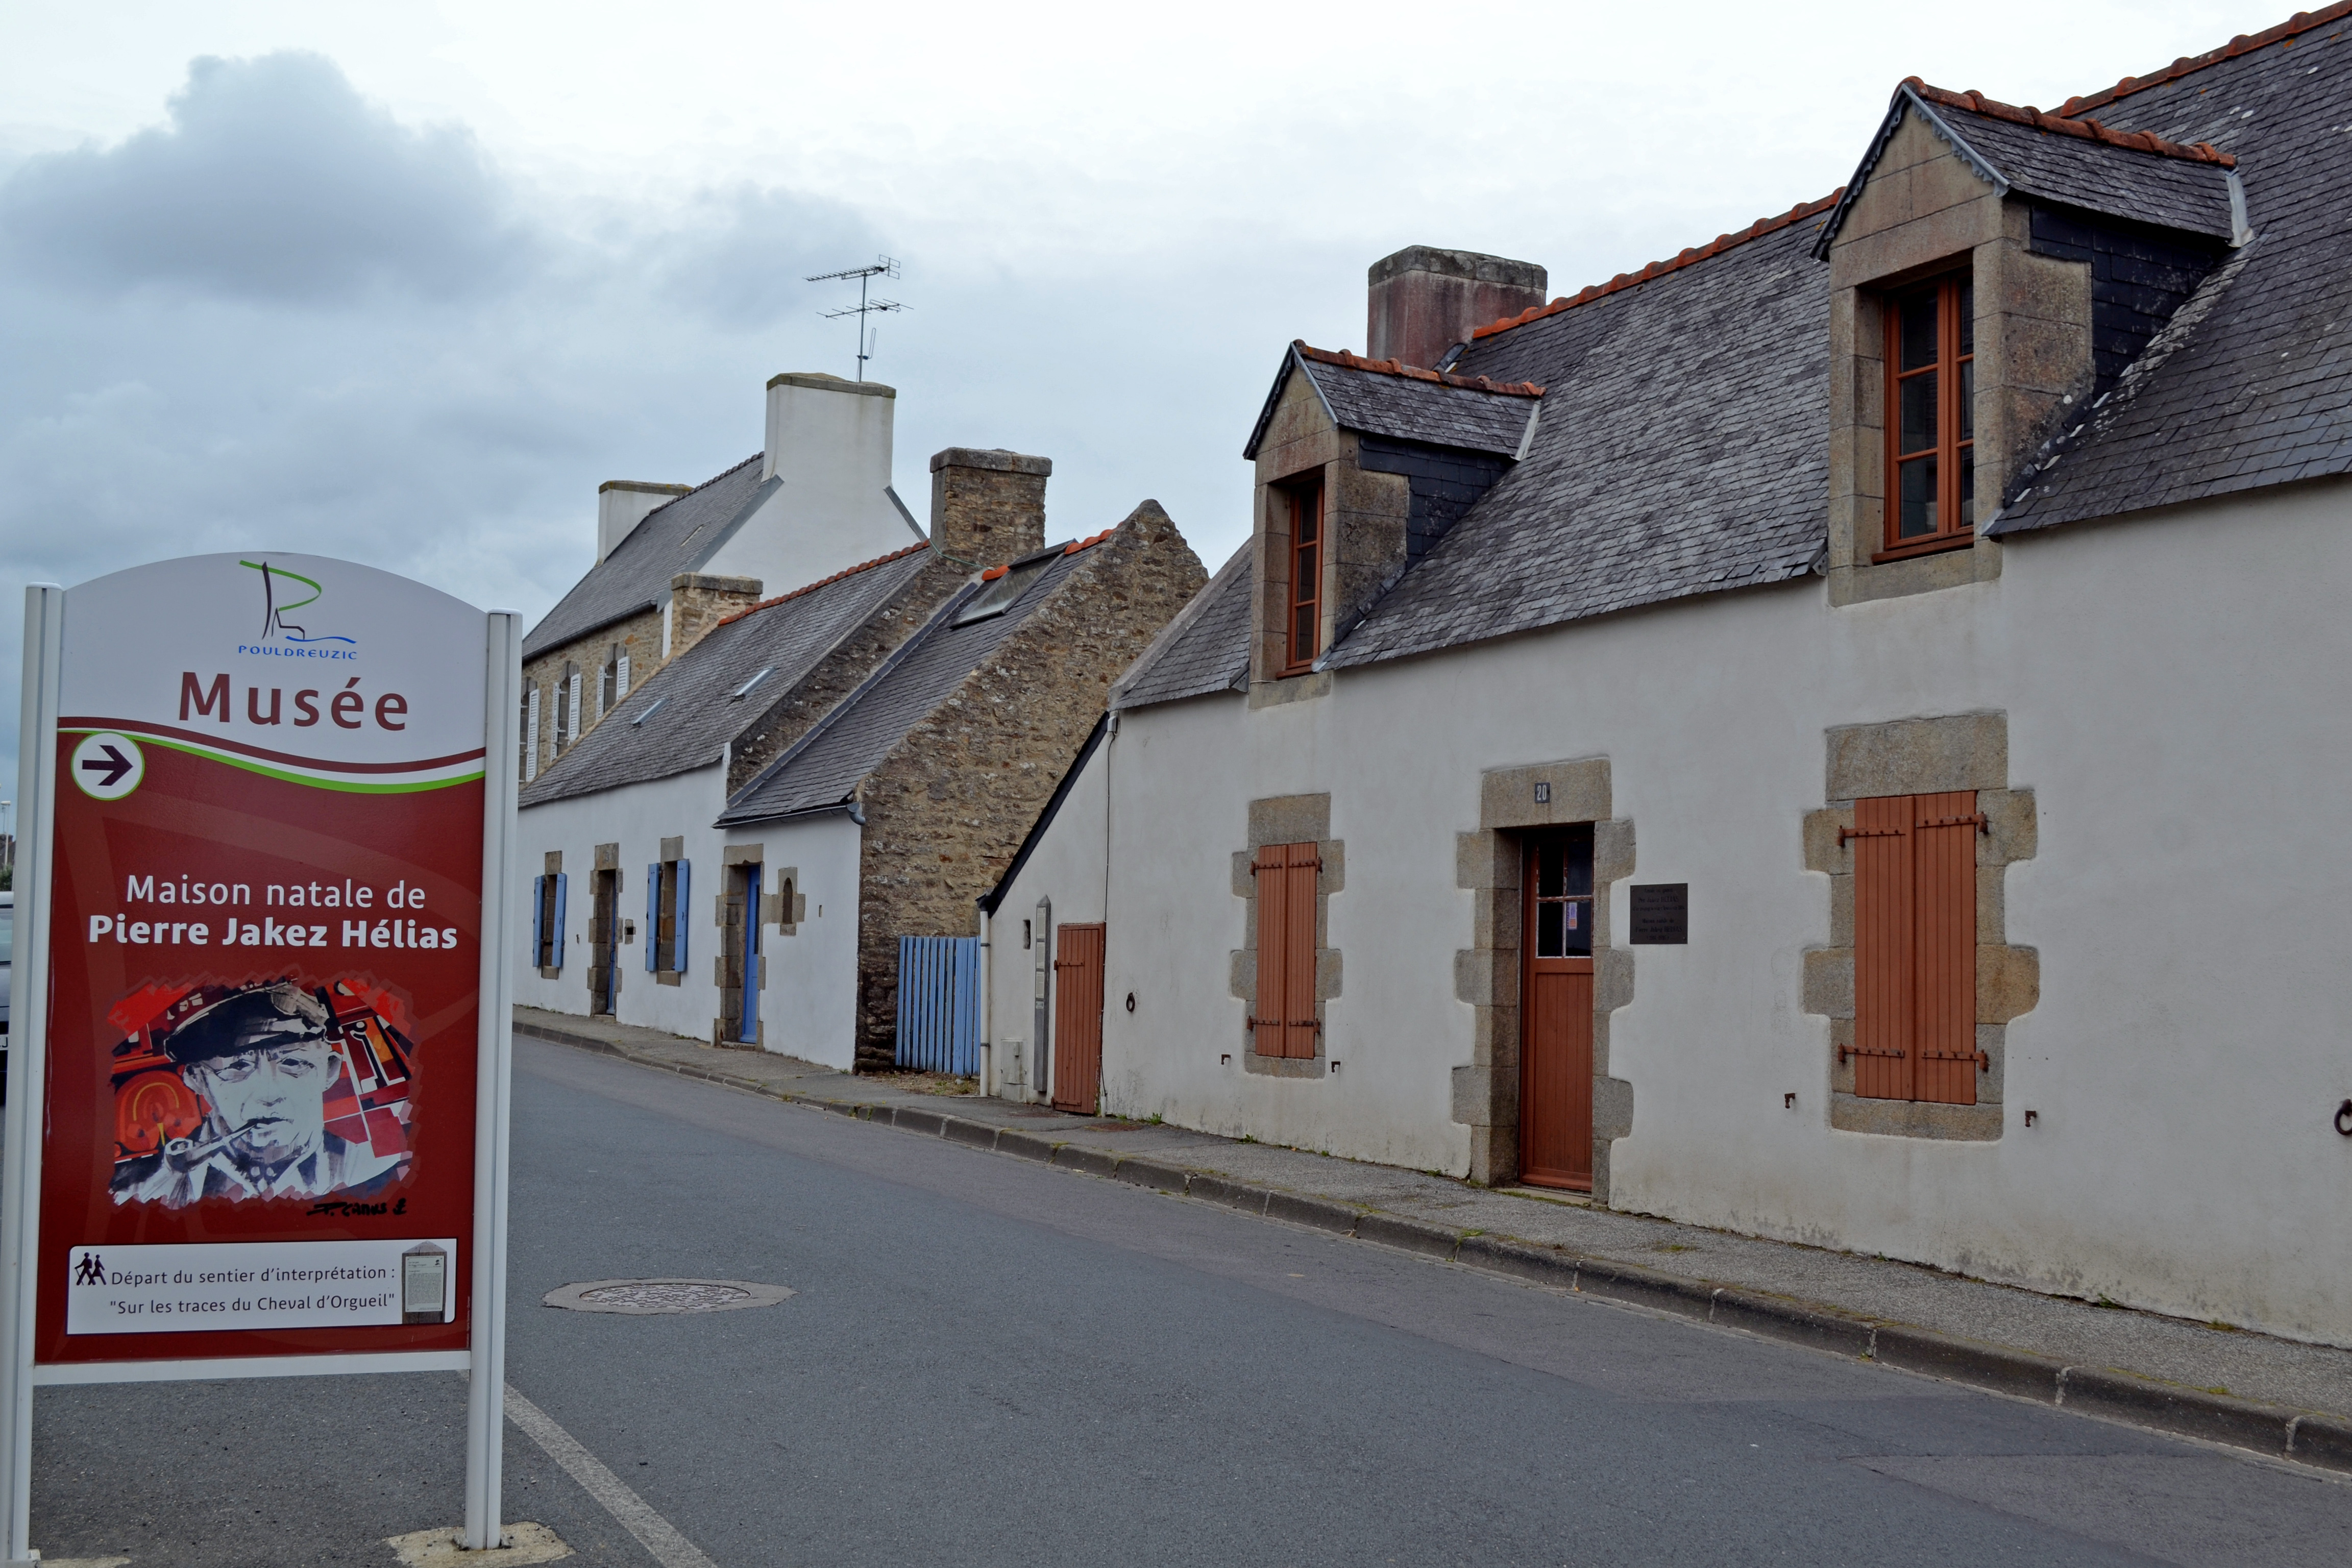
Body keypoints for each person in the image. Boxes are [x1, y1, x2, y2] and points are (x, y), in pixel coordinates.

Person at [110, 981, 408, 1207]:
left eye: (293, 1063)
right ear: (197, 1080)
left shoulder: (370, 1172)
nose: (269, 1094)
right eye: (238, 1066)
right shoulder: (134, 1188)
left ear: (328, 1072)